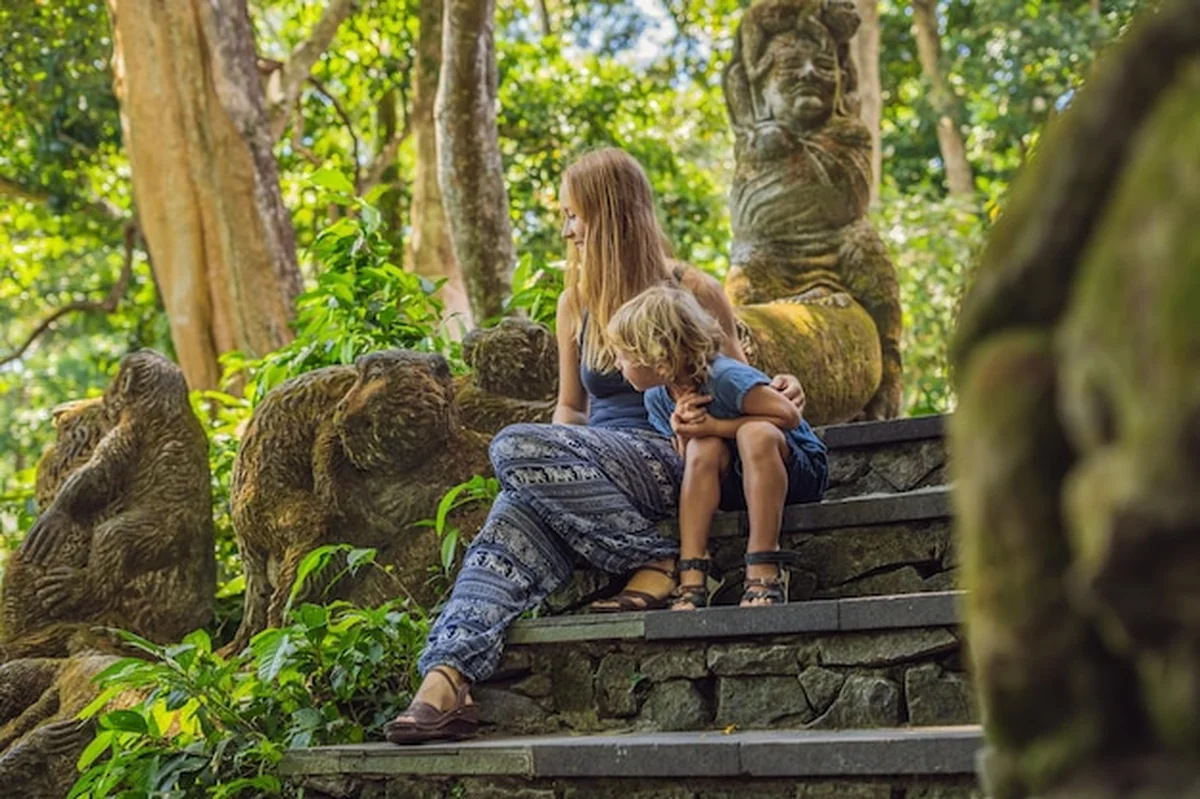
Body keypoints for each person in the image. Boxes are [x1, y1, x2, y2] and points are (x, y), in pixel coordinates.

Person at [383, 147, 805, 745]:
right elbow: (571, 410)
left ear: (611, 214)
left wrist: (784, 387)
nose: (566, 230)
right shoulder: (574, 303)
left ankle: (660, 557)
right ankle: (446, 676)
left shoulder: (692, 289)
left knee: (512, 449)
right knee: (513, 513)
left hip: (668, 454)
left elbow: (737, 387)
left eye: (575, 215)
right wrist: (557, 475)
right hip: (591, 466)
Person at [607, 285, 828, 610]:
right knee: (702, 447)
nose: (617, 364)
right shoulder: (657, 398)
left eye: (623, 355)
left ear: (658, 357)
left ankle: (764, 567)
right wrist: (683, 432)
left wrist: (715, 426)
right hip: (737, 482)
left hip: (795, 471)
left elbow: (788, 415)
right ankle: (694, 576)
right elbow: (690, 466)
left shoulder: (725, 377)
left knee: (755, 433)